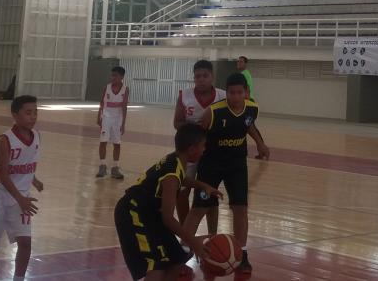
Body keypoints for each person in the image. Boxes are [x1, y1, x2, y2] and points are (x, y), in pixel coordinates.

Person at [183, 73, 270, 281]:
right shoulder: (213, 112)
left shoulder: (252, 108)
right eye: (232, 92)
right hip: (211, 165)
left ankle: (243, 253)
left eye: (240, 92)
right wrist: (189, 159)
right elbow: (198, 135)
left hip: (236, 164)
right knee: (199, 209)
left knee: (240, 208)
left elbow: (248, 125)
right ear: (227, 92)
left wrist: (260, 143)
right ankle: (183, 252)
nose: (236, 97)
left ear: (246, 92)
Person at [115, 123, 220, 281]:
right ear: (192, 150)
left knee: (176, 259)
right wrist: (194, 242)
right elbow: (168, 219)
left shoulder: (176, 160)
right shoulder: (171, 174)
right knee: (157, 264)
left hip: (150, 213)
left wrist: (202, 185)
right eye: (203, 146)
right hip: (133, 212)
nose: (204, 149)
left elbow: (180, 179)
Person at [0, 95, 44, 281]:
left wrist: (34, 179)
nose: (33, 116)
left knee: (25, 242)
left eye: (35, 112)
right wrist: (21, 200)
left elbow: (26, 163)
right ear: (15, 115)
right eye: (28, 113)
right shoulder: (5, 140)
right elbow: (3, 174)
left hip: (20, 196)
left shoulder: (37, 136)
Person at [173, 60, 226, 229]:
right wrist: (196, 128)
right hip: (189, 150)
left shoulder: (223, 96)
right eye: (197, 76)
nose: (201, 79)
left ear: (212, 77)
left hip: (213, 151)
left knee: (209, 193)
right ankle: (184, 229)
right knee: (182, 191)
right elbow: (177, 122)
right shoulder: (185, 95)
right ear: (193, 78)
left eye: (205, 76)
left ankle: (212, 235)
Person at [97, 66, 131, 179]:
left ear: (122, 77)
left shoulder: (125, 89)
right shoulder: (106, 87)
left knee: (117, 143)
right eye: (112, 75)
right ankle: (102, 166)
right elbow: (102, 103)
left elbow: (124, 106)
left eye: (115, 75)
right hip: (106, 117)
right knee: (103, 141)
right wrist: (99, 116)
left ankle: (115, 168)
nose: (113, 77)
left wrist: (123, 123)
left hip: (118, 119)